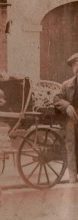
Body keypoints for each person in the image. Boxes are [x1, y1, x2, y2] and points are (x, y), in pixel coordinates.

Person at [54, 52, 78, 183]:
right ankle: (73, 175)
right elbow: (56, 99)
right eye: (75, 65)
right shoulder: (66, 85)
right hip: (72, 120)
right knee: (71, 145)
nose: (77, 67)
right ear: (73, 69)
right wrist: (67, 106)